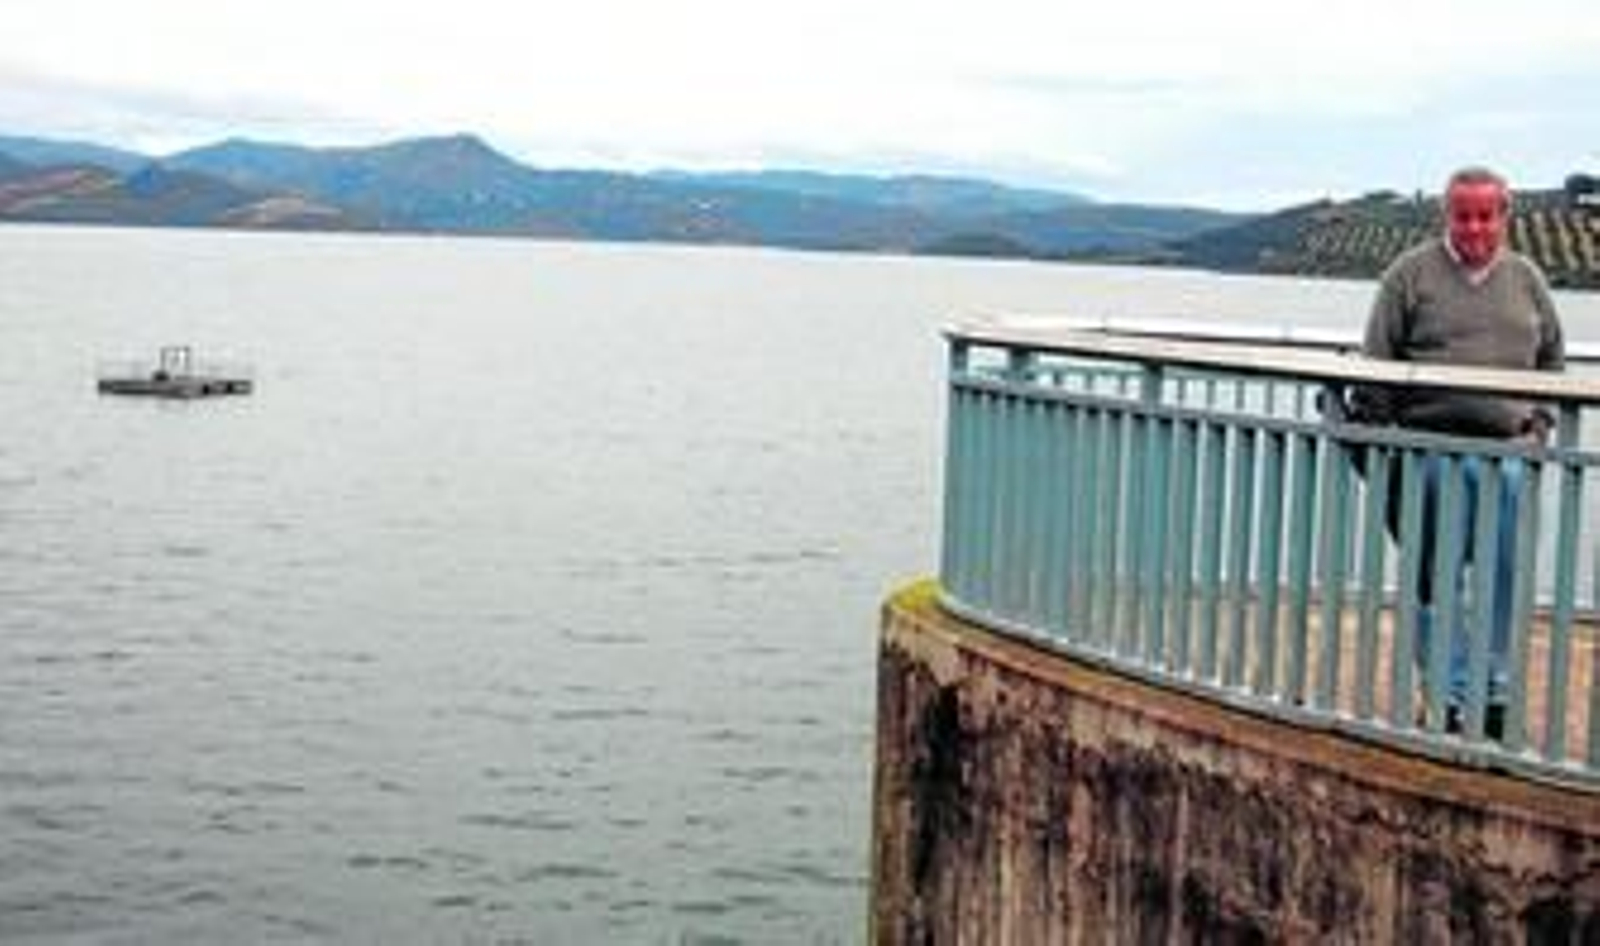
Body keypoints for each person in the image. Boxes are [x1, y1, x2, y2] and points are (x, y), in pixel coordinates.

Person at [1350, 165, 1564, 738]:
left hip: (1508, 453)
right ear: (1446, 215)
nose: (1475, 228)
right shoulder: (1409, 275)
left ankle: (1489, 692)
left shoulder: (1528, 279)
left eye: (1486, 215)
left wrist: (1538, 429)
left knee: (1503, 574)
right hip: (1430, 448)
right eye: (1463, 215)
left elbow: (1553, 364)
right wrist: (1381, 451)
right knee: (1435, 574)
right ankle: (1446, 692)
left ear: (1504, 217)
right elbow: (1376, 364)